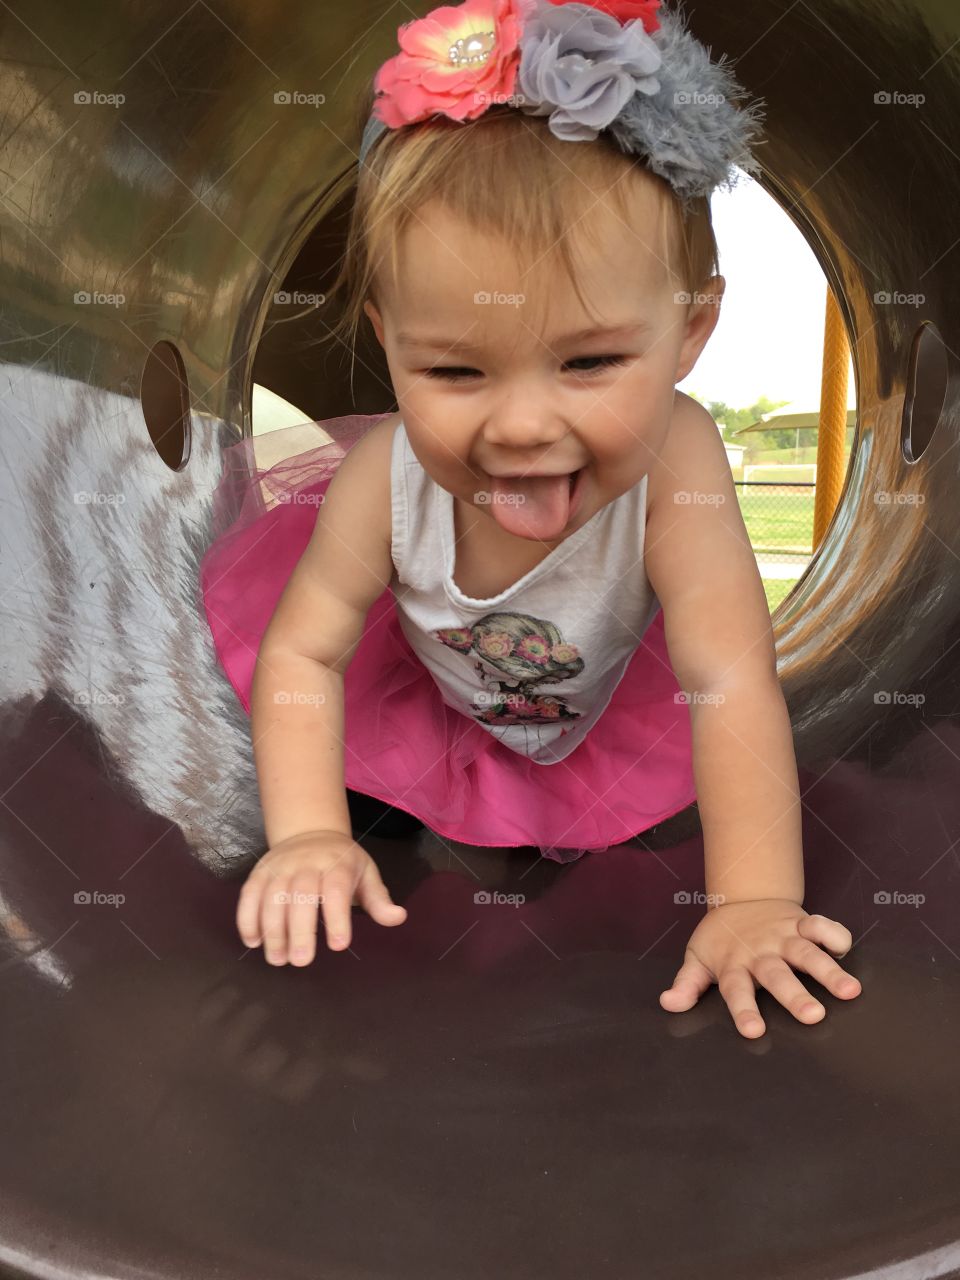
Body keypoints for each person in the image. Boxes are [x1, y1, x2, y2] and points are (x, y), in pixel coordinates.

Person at [200, 0, 862, 1037]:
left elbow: (729, 675)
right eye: (455, 369)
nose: (520, 425)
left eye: (590, 361)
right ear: (387, 342)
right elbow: (303, 656)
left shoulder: (678, 461)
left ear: (691, 331)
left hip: (597, 712)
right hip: (423, 699)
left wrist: (753, 900)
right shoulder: (386, 478)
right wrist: (306, 836)